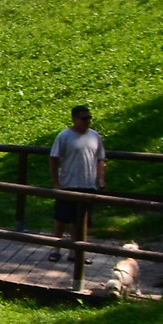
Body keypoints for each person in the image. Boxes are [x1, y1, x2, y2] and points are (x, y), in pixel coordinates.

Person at [46, 104, 107, 259]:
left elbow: (100, 159)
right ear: (74, 119)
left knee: (81, 221)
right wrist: (56, 183)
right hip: (68, 183)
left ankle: (76, 251)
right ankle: (56, 249)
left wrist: (100, 178)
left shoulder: (94, 136)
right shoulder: (64, 136)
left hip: (88, 183)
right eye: (84, 118)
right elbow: (53, 159)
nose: (87, 121)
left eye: (89, 118)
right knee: (61, 218)